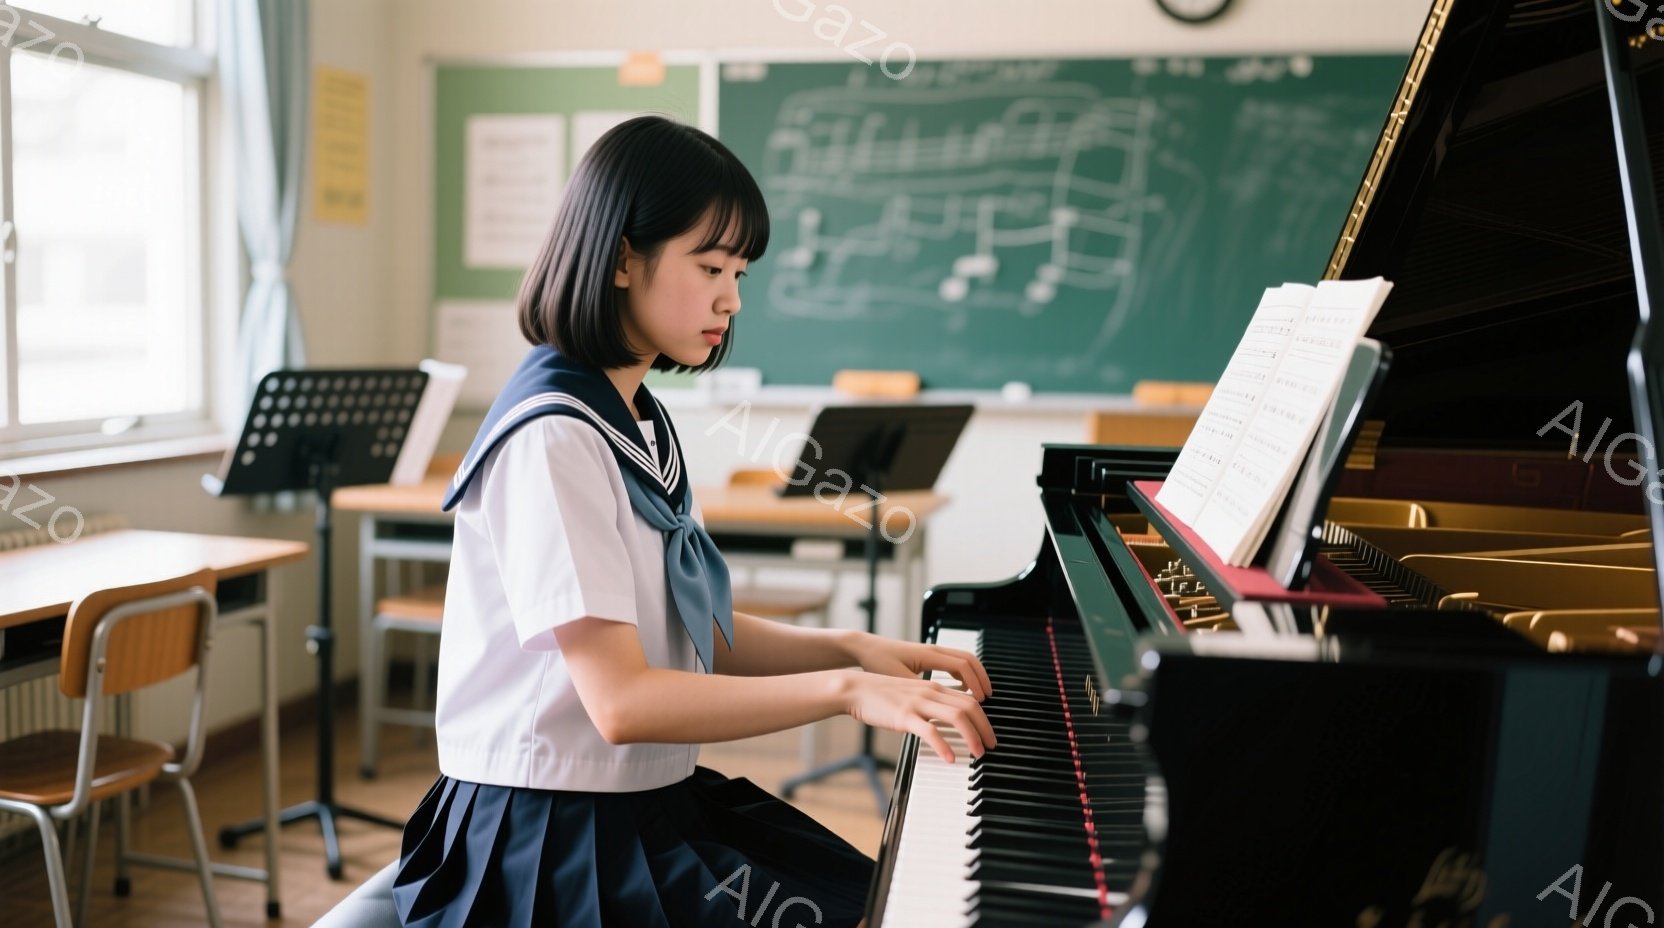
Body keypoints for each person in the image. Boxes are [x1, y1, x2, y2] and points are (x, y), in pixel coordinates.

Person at [392, 115, 996, 928]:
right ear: (618, 259)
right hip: (545, 836)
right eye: (710, 265)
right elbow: (625, 704)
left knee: (873, 894)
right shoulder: (553, 435)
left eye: (739, 270)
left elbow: (694, 631)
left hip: (638, 802)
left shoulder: (633, 414)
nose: (731, 298)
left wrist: (852, 649)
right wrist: (846, 692)